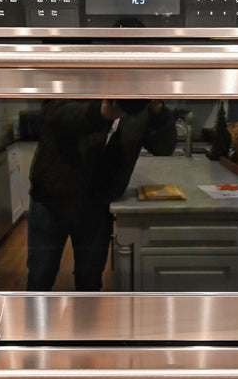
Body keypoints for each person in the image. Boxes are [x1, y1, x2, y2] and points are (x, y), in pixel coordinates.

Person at [26, 98, 176, 291]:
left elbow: (163, 147)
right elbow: (54, 115)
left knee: (90, 281)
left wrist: (159, 111)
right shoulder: (82, 78)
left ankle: (86, 321)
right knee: (40, 277)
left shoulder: (141, 105)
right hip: (52, 197)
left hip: (97, 206)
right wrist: (100, 112)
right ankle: (33, 321)